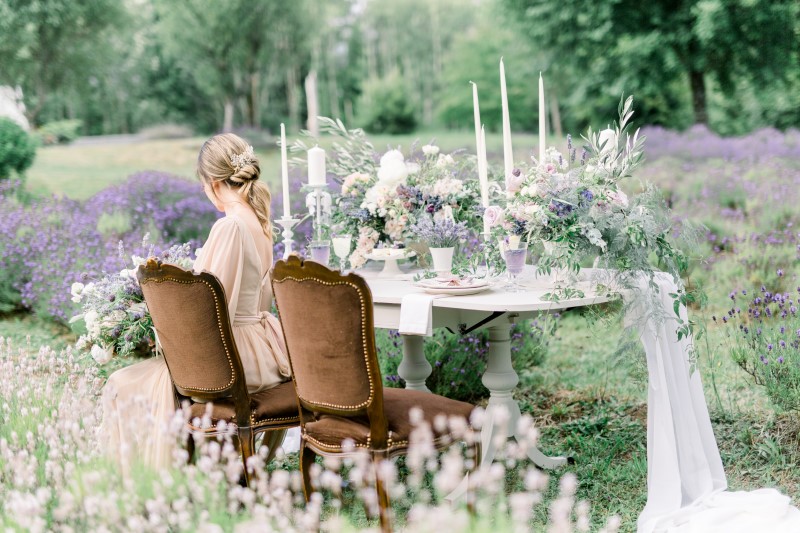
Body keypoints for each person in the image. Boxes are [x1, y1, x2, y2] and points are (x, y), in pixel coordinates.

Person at [99, 133, 292, 476]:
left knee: (121, 383)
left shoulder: (230, 226)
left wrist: (160, 324)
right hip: (262, 348)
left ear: (214, 182)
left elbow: (209, 314)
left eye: (203, 184)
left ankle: (144, 479)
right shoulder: (260, 222)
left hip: (234, 359)